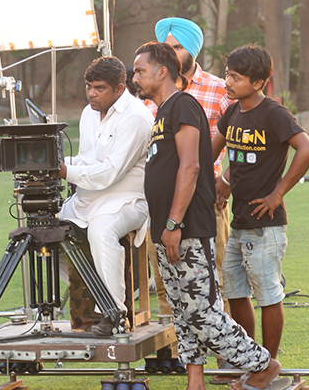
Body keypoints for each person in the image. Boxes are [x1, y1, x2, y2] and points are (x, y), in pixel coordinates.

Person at [133, 41, 282, 390]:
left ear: (162, 72)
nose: (135, 77)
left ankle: (263, 364)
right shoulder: (162, 112)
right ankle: (195, 380)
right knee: (182, 312)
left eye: (140, 70)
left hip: (186, 228)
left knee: (203, 311)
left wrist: (174, 223)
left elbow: (191, 167)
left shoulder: (183, 105)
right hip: (165, 229)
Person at [212, 44, 309, 363]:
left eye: (236, 77)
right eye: (227, 75)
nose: (228, 82)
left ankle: (268, 365)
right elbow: (213, 152)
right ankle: (249, 359)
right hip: (239, 221)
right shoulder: (233, 112)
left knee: (268, 295)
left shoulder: (274, 114)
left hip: (266, 223)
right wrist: (223, 181)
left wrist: (277, 194)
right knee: (235, 292)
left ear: (258, 82)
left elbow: (307, 149)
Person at [58, 55, 154, 336]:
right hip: (88, 198)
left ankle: (115, 314)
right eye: (88, 86)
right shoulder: (89, 113)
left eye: (99, 88)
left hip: (128, 200)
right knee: (45, 232)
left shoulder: (136, 117)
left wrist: (65, 171)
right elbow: (87, 160)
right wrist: (54, 165)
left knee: (102, 230)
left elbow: (111, 171)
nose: (92, 93)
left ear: (119, 88)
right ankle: (95, 289)